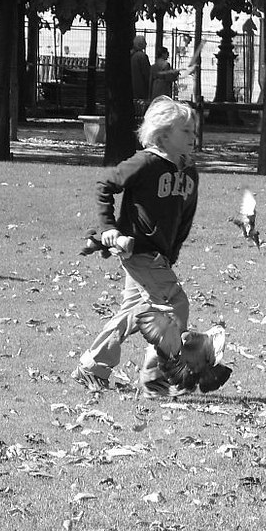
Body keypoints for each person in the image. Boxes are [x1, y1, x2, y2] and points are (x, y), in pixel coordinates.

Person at [72, 96, 200, 398]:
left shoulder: (189, 172)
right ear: (163, 133)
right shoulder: (144, 162)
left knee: (136, 310)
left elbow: (185, 217)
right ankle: (156, 378)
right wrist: (109, 229)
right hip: (137, 251)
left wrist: (172, 253)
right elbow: (105, 185)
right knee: (175, 306)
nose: (193, 137)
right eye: (186, 131)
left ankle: (92, 366)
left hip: (159, 256)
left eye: (194, 131)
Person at [130, 34, 151, 103]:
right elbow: (147, 73)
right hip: (141, 87)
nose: (146, 44)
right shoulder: (142, 56)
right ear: (141, 44)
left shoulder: (132, 55)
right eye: (145, 42)